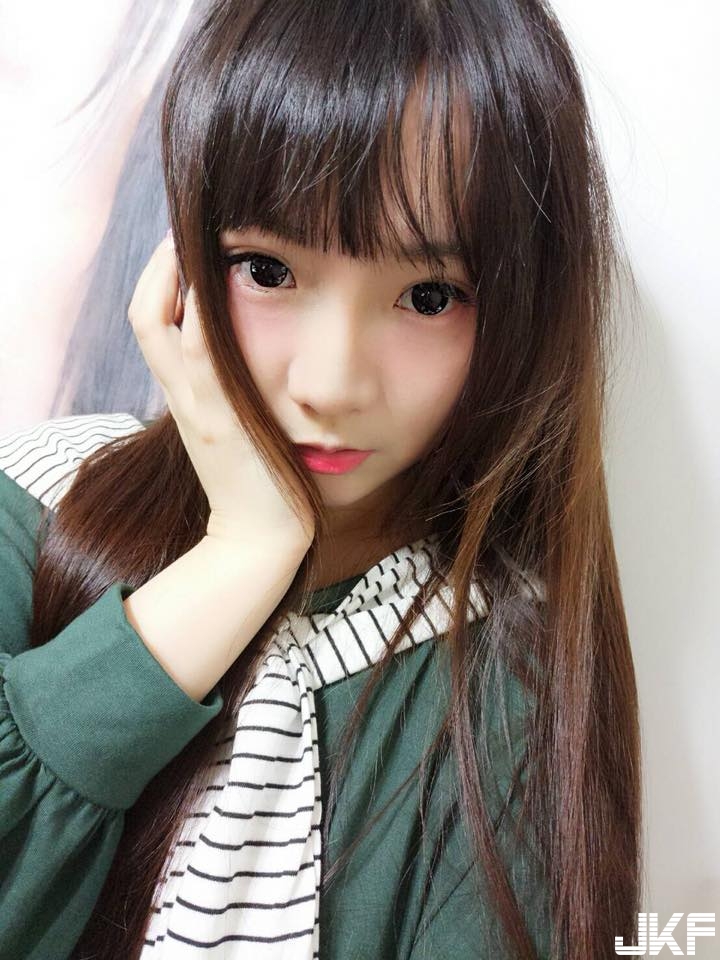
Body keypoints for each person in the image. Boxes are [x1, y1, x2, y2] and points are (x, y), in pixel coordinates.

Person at [0, 0, 642, 958]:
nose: (332, 384)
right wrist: (243, 552)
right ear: (179, 263)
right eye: (267, 270)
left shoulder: (505, 682)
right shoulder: (38, 501)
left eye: (429, 295)